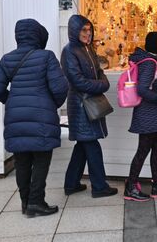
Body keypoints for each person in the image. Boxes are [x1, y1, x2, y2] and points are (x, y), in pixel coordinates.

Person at [0, 19, 68, 218]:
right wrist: (51, 105)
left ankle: (26, 203)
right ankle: (36, 202)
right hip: (41, 116)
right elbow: (60, 88)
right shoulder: (46, 57)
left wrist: (13, 101)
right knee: (41, 160)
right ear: (38, 35)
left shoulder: (8, 59)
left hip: (16, 118)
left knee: (22, 161)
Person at [62, 15, 118, 199]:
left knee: (83, 145)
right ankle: (99, 186)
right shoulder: (69, 51)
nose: (88, 33)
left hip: (89, 103)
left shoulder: (88, 48)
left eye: (89, 30)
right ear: (74, 31)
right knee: (91, 144)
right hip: (80, 105)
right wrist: (101, 85)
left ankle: (71, 184)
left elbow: (100, 72)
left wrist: (101, 82)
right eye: (83, 30)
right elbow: (77, 81)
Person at [124, 31, 157, 201]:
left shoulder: (148, 60)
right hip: (148, 115)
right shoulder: (151, 63)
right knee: (143, 150)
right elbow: (142, 89)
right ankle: (130, 186)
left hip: (150, 116)